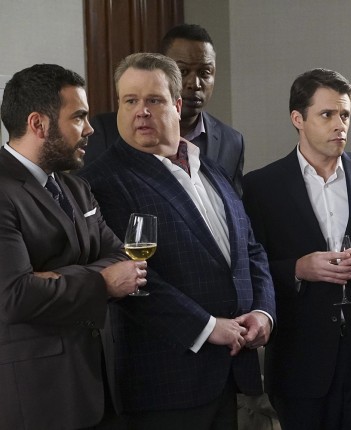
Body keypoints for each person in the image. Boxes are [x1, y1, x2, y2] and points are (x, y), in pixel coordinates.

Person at [78, 52, 276, 430]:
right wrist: (207, 327)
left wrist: (264, 311)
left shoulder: (210, 168)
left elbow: (250, 249)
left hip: (234, 369)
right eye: (130, 101)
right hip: (167, 384)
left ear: (178, 105)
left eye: (154, 100)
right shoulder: (101, 182)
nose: (141, 111)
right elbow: (133, 280)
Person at [242, 68, 351, 430]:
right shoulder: (261, 187)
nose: (340, 125)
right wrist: (298, 269)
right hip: (300, 361)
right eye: (327, 114)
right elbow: (248, 268)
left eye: (345, 115)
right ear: (298, 119)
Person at [0, 64, 147, 429]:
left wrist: (54, 277)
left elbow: (121, 256)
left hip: (99, 383)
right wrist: (101, 282)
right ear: (38, 124)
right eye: (79, 117)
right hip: (37, 397)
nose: (90, 129)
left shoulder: (76, 187)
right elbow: (14, 295)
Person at [85, 23, 245, 195]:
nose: (194, 84)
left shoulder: (231, 142)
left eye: (205, 72)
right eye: (183, 71)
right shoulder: (106, 131)